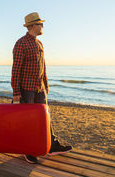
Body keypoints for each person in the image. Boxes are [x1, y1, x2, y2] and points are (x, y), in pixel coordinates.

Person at [11, 12, 72, 164]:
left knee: (45, 118)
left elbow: (43, 66)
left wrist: (46, 84)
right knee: (28, 121)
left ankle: (52, 146)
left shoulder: (39, 43)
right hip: (26, 89)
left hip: (40, 88)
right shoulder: (21, 43)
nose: (42, 26)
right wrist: (16, 92)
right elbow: (16, 69)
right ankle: (27, 150)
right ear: (33, 26)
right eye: (40, 24)